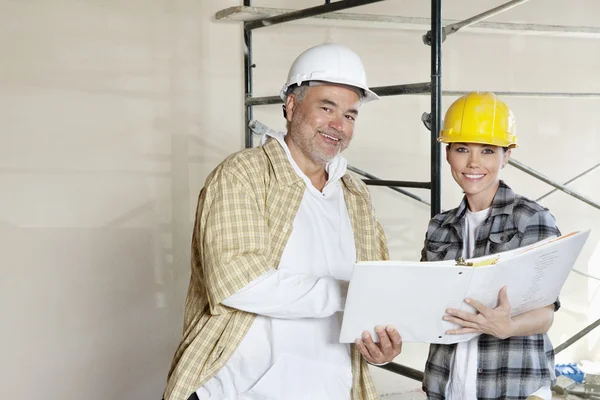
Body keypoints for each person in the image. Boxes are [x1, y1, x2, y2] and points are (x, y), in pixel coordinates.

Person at [163, 43, 402, 400]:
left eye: (350, 115)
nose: (339, 125)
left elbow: (375, 289)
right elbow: (236, 282)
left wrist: (379, 346)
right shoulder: (243, 174)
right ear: (291, 106)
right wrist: (348, 292)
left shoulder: (354, 193)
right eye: (327, 108)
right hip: (239, 391)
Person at [420, 92, 561, 400]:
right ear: (447, 154)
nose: (473, 163)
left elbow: (546, 313)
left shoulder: (532, 219)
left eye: (487, 150)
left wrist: (507, 326)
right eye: (461, 149)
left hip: (513, 387)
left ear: (505, 155)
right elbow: (426, 304)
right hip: (448, 385)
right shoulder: (439, 228)